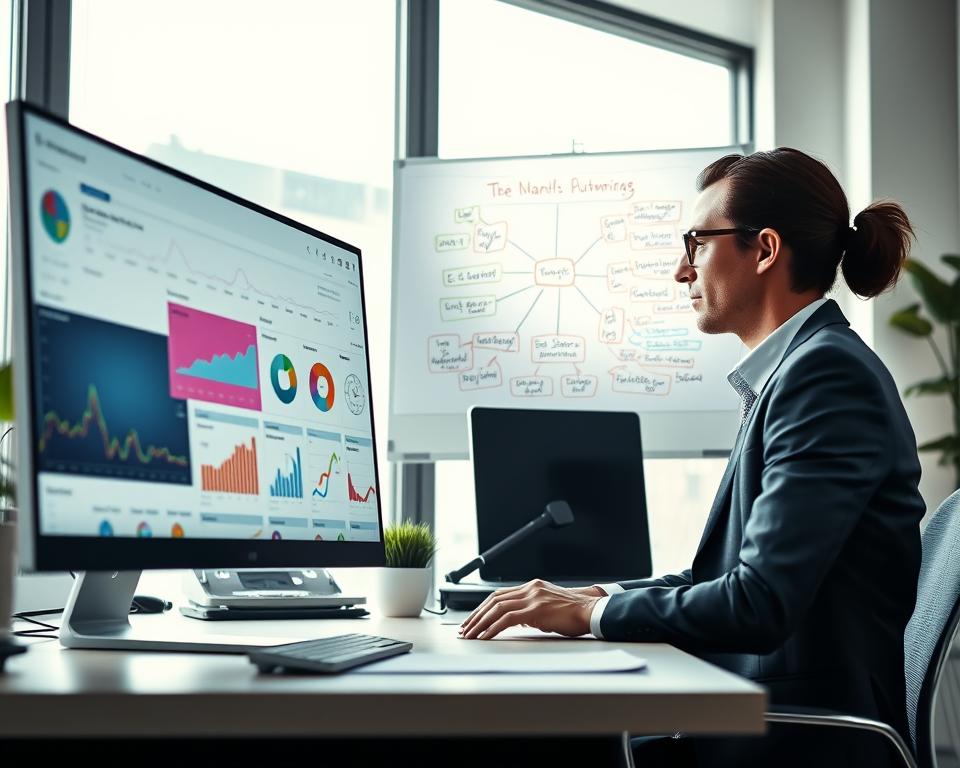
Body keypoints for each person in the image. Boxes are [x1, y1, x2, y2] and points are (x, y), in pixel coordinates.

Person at [458, 147, 926, 767]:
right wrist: (596, 593)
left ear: (763, 250)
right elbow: (724, 578)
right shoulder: (800, 370)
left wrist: (593, 613)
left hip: (797, 742)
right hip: (759, 717)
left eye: (697, 243)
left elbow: (757, 602)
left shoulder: (826, 376)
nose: (682, 271)